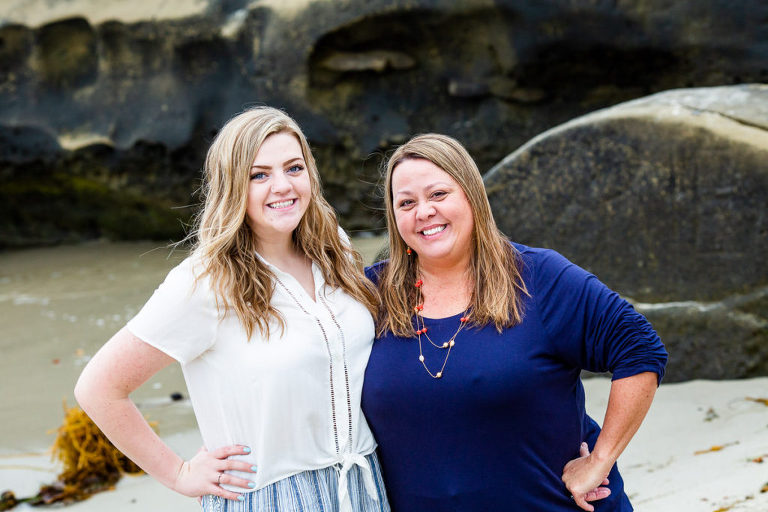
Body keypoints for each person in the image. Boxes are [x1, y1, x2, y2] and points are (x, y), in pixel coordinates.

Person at [75, 107, 390, 512]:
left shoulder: (336, 251)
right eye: (259, 175)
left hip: (362, 485)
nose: (282, 186)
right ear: (231, 187)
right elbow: (99, 388)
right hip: (273, 498)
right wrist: (179, 474)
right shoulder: (204, 282)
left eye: (294, 168)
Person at [362, 133, 667, 511]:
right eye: (406, 202)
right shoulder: (369, 295)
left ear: (472, 196)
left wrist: (600, 459)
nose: (423, 211)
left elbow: (640, 348)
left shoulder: (539, 278)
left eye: (439, 194)